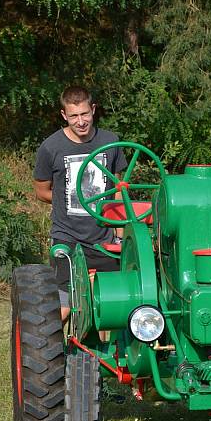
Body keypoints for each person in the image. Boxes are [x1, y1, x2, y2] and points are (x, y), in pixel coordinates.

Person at [34, 85, 127, 321]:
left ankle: (105, 357)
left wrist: (119, 233)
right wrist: (71, 200)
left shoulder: (110, 141)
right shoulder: (51, 147)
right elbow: (43, 191)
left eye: (85, 114)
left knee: (111, 306)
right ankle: (53, 355)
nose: (81, 121)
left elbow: (119, 192)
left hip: (103, 238)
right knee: (63, 305)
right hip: (67, 236)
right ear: (64, 115)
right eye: (74, 116)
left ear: (93, 110)